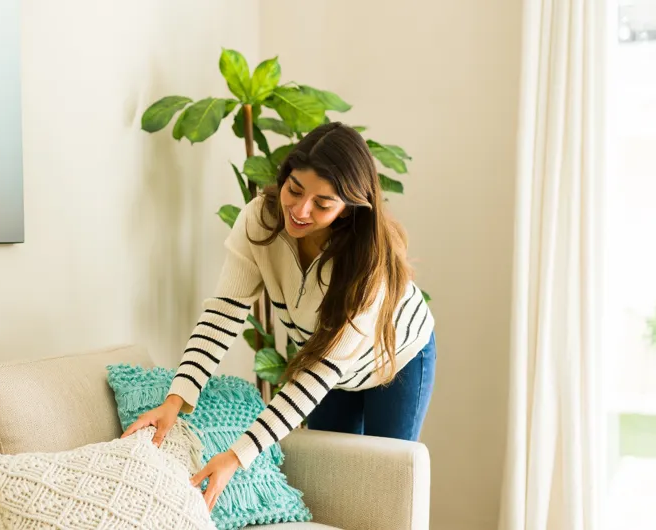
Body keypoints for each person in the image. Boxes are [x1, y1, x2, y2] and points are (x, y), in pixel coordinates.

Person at [121, 122, 436, 511]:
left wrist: (236, 458)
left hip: (396, 361)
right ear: (284, 177)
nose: (300, 211)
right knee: (337, 485)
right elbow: (224, 313)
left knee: (387, 488)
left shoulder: (370, 268)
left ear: (350, 208)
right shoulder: (261, 221)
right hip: (327, 371)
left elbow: (319, 372)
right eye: (295, 190)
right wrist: (175, 400)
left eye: (322, 204)